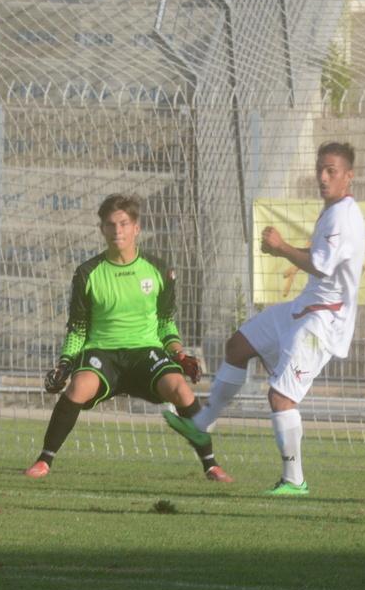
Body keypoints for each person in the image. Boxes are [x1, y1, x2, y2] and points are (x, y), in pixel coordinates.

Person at [163, 142, 365, 496]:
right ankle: (201, 423)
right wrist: (285, 249)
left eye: (331, 170)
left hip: (323, 321)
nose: (322, 176)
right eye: (320, 169)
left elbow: (321, 264)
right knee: (238, 346)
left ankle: (294, 480)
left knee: (281, 398)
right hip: (304, 307)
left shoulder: (343, 217)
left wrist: (281, 247)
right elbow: (320, 258)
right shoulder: (333, 211)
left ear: (349, 176)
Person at [25, 193, 231, 482]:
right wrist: (65, 364)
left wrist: (179, 354)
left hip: (146, 352)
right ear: (102, 229)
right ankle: (44, 460)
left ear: (137, 227)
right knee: (78, 387)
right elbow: (78, 328)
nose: (117, 231)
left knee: (180, 389)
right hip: (103, 353)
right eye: (110, 224)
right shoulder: (88, 273)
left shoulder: (158, 270)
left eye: (123, 223)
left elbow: (165, 323)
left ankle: (211, 464)